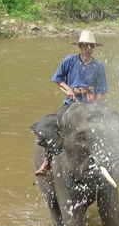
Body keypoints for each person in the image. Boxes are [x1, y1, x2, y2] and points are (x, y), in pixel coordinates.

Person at [35, 30, 107, 176]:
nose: (89, 49)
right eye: (86, 46)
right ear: (80, 46)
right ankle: (47, 162)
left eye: (91, 46)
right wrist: (68, 89)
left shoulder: (98, 66)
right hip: (71, 104)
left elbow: (101, 89)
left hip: (90, 106)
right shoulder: (69, 61)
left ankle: (108, 158)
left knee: (107, 126)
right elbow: (58, 79)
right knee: (56, 125)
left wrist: (97, 104)